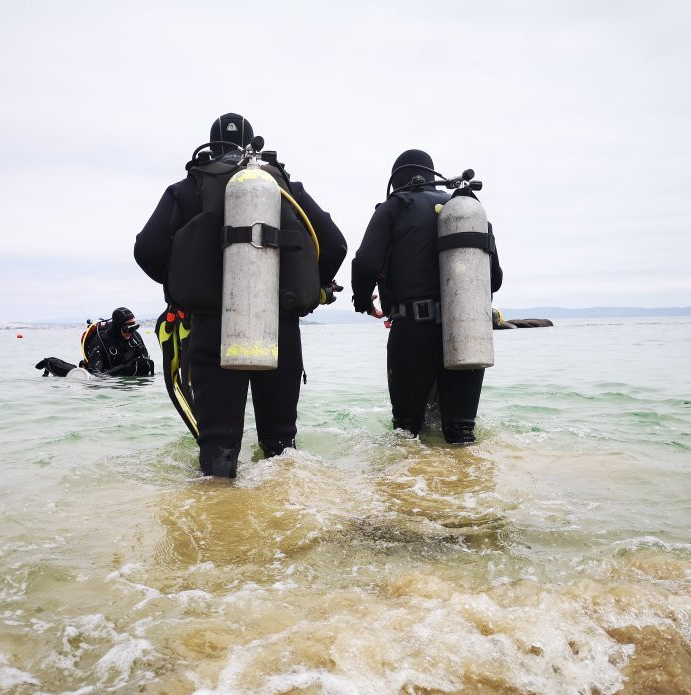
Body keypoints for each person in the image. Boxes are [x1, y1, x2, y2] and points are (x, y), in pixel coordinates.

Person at [134, 113, 347, 477]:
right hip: (279, 328)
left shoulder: (189, 187)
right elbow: (335, 244)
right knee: (282, 448)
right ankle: (289, 526)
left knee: (218, 449)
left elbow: (146, 249)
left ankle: (219, 526)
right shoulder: (283, 187)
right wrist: (319, 288)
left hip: (213, 328)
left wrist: (186, 288)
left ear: (211, 143)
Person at [350, 149, 503, 444]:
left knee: (407, 432)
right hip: (466, 329)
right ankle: (469, 487)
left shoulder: (395, 206)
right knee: (462, 432)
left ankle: (410, 488)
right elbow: (493, 280)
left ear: (398, 181)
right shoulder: (466, 208)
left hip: (413, 333)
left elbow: (366, 263)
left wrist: (362, 301)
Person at [35, 307, 154, 378]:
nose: (131, 332)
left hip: (125, 375)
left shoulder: (135, 337)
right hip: (106, 375)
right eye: (127, 329)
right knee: (82, 375)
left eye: (134, 327)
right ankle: (49, 362)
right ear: (118, 327)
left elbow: (147, 360)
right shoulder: (101, 341)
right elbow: (94, 374)